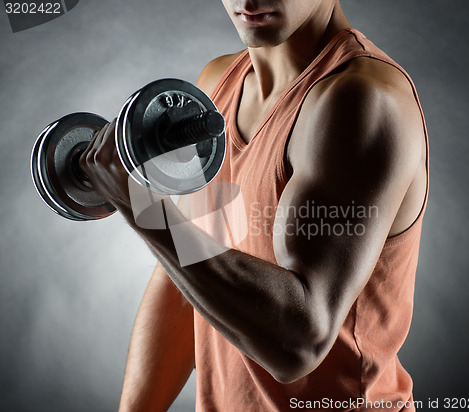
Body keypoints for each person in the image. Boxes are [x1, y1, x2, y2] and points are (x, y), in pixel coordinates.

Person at [80, 0, 428, 411]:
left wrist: (144, 207)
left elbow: (300, 342)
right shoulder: (217, 85)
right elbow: (188, 276)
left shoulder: (361, 99)